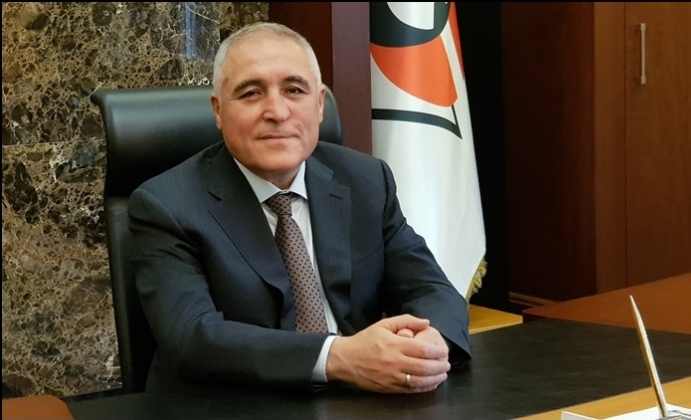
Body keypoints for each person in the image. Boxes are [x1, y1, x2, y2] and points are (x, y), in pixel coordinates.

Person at [128, 21, 471, 396]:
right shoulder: (168, 204)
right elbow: (192, 338)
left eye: (294, 90)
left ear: (320, 104)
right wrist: (339, 357)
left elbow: (431, 289)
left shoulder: (367, 180)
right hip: (231, 404)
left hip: (361, 402)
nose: (277, 111)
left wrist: (430, 343)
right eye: (251, 93)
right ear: (218, 110)